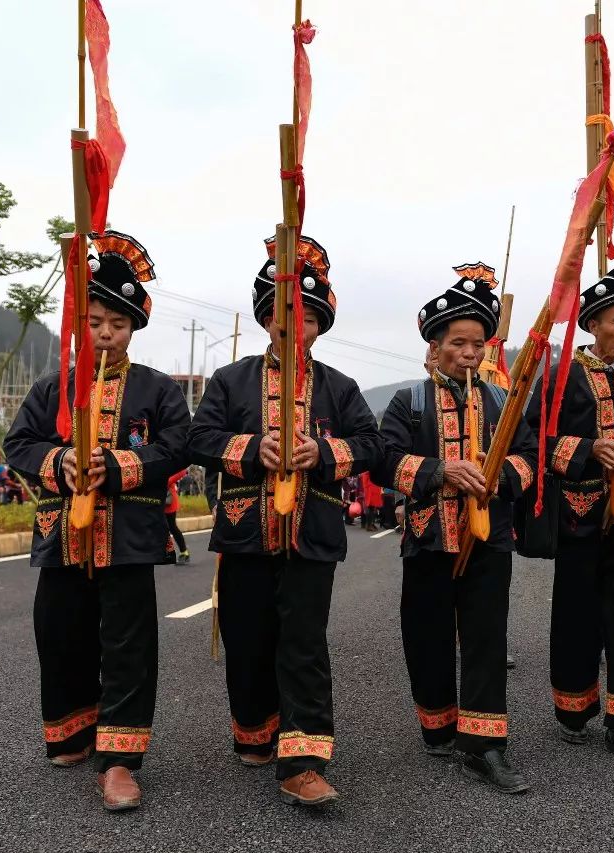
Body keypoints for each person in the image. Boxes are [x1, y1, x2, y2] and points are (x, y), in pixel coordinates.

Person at [187, 235, 381, 808]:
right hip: (245, 533)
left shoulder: (340, 387)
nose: (293, 326)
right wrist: (254, 448)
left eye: (307, 318)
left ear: (320, 326)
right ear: (266, 318)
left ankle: (304, 759)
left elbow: (371, 446)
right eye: (281, 314)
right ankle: (256, 729)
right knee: (248, 640)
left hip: (311, 537)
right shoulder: (230, 381)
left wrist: (321, 452)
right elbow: (199, 438)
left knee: (302, 644)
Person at [4, 230, 191, 812]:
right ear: (80, 325)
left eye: (117, 323)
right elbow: (19, 444)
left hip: (129, 540)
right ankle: (71, 727)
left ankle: (121, 759)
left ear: (133, 327)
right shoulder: (55, 387)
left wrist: (117, 465)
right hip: (63, 534)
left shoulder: (157, 389)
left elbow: (179, 445)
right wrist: (59, 460)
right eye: (95, 322)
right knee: (58, 632)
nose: (105, 333)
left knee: (128, 646)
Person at [377, 261, 537, 793]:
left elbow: (528, 459)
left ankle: (485, 743)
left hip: (490, 539)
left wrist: (496, 479)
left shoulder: (502, 402)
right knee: (425, 636)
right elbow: (382, 460)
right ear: (433, 348)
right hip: (426, 538)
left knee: (487, 638)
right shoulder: (409, 401)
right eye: (458, 344)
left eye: (478, 346)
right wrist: (439, 471)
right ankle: (438, 724)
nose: (469, 354)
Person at [523, 248, 614, 767]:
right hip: (579, 516)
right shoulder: (560, 376)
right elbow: (534, 441)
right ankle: (573, 708)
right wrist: (589, 450)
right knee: (577, 617)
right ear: (592, 323)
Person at [164, 468, 189, 563]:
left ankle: (184, 552)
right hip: (159, 500)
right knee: (161, 527)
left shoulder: (171, 456)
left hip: (169, 501)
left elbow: (183, 470)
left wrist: (166, 481)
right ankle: (166, 552)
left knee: (172, 527)